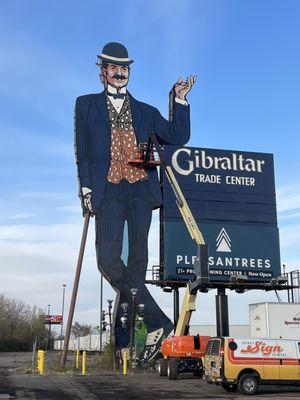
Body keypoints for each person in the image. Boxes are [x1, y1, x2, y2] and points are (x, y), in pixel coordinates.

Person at [74, 42, 196, 362]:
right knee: (109, 261)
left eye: (124, 67)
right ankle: (160, 322)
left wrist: (179, 99)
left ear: (129, 71)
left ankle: (127, 348)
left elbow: (177, 136)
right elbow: (84, 153)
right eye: (112, 67)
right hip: (110, 190)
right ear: (102, 71)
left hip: (141, 190)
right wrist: (87, 189)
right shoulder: (85, 105)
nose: (118, 72)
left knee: (136, 269)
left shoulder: (146, 112)